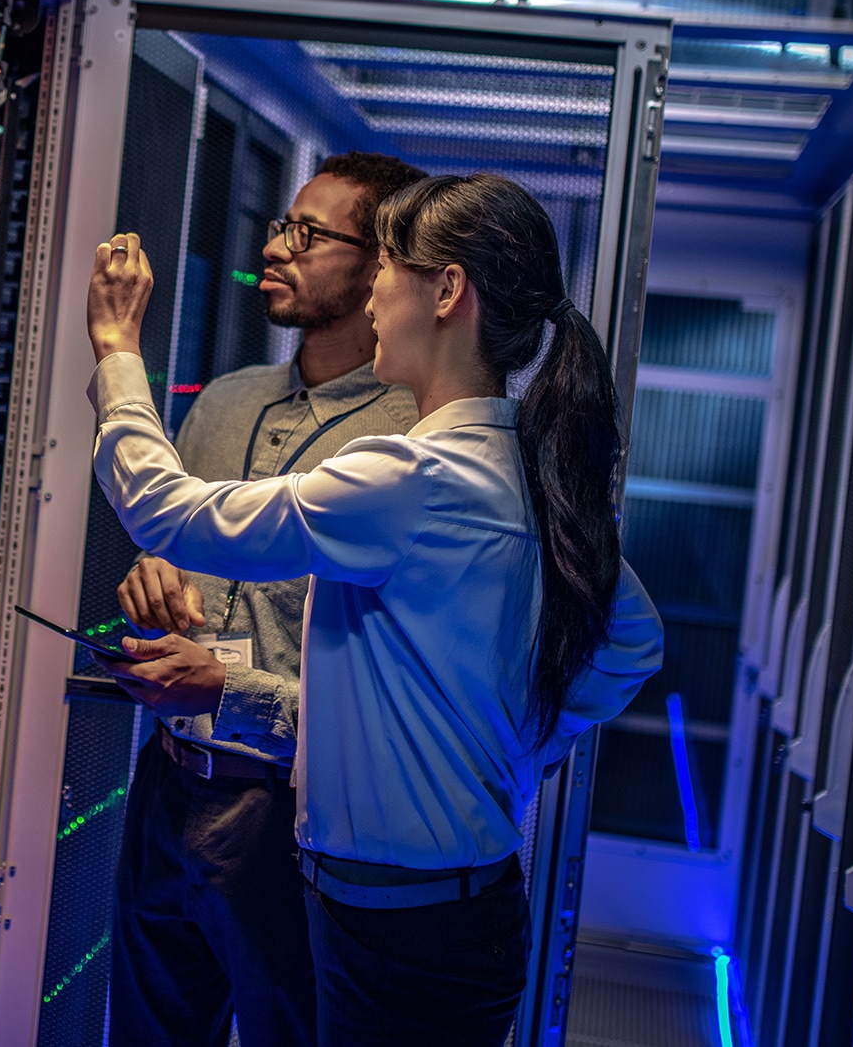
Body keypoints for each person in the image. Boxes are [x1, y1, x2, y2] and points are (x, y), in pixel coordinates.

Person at [85, 174, 664, 1045]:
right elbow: (634, 640)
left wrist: (116, 348)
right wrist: (516, 740)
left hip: (401, 927)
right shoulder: (520, 470)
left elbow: (164, 509)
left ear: (447, 290)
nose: (375, 294)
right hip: (441, 914)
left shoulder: (409, 477)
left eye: (388, 266)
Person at [106, 152, 427, 1047]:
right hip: (167, 788)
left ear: (380, 266)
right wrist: (149, 579)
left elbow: (390, 702)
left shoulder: (406, 441)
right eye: (283, 224)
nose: (275, 245)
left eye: (309, 233)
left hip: (289, 824)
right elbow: (164, 555)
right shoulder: (222, 400)